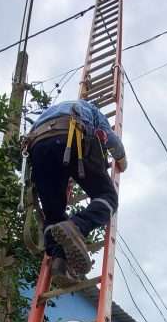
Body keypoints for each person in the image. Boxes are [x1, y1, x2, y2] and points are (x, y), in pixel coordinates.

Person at [25, 98, 127, 286]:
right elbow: (110, 139)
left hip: (38, 147)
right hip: (72, 135)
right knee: (108, 198)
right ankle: (77, 226)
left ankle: (60, 264)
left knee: (53, 215)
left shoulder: (47, 113)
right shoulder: (89, 108)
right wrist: (121, 159)